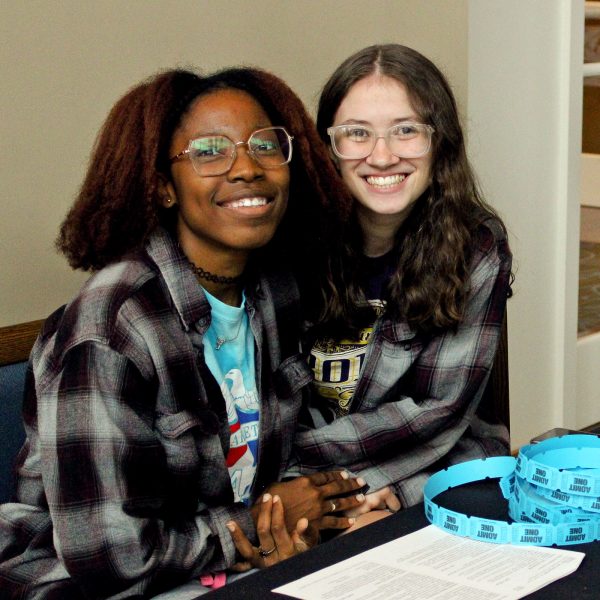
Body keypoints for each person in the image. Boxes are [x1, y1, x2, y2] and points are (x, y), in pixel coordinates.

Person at [0, 67, 365, 599]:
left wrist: (286, 525)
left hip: (217, 567)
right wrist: (256, 529)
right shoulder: (110, 330)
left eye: (264, 145)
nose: (247, 168)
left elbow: (273, 477)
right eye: (210, 151)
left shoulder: (273, 291)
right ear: (162, 187)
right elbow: (111, 558)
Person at [290, 44, 513, 525]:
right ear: (327, 146)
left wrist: (371, 490)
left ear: (440, 142)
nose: (383, 156)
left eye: (406, 130)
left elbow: (440, 409)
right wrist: (303, 486)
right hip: (297, 482)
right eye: (356, 134)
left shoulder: (476, 246)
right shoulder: (288, 242)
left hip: (431, 462)